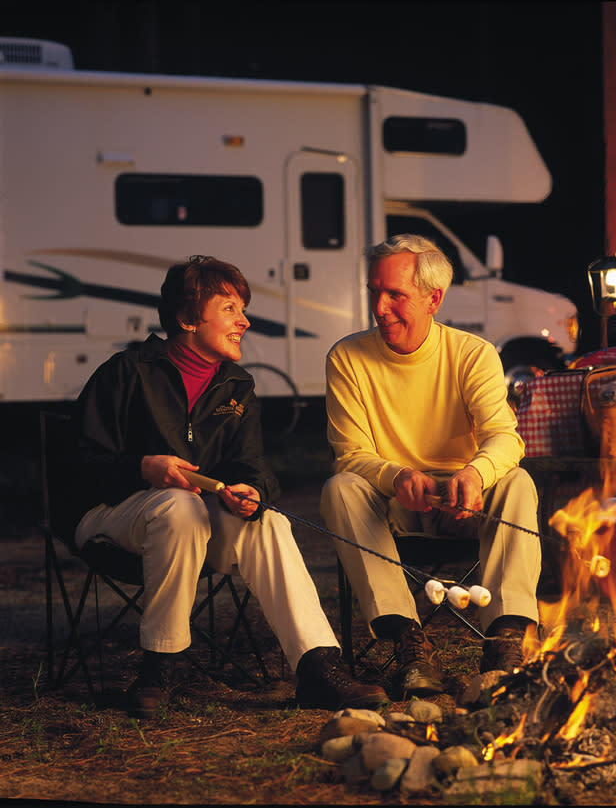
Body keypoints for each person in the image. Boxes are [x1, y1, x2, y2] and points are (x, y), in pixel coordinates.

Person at [73, 254, 388, 719]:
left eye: (243, 308)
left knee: (269, 522)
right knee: (178, 507)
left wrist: (253, 492)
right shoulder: (127, 372)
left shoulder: (237, 386)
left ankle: (318, 665)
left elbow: (254, 467)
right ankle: (161, 665)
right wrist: (142, 467)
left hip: (193, 528)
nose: (244, 320)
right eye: (228, 308)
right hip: (109, 519)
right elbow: (78, 466)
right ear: (185, 318)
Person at [321, 234, 542, 698]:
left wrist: (476, 474)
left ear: (433, 299)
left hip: (468, 501)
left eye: (395, 295)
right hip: (393, 506)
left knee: (518, 482)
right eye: (374, 292)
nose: (379, 308)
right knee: (340, 487)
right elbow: (351, 452)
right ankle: (408, 642)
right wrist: (397, 476)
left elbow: (505, 437)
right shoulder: (347, 358)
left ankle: (504, 640)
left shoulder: (471, 354)